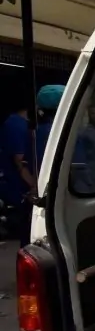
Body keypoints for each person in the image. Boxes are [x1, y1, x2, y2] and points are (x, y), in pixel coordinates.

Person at [0, 97, 35, 246]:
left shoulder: (12, 123)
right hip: (17, 185)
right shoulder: (18, 126)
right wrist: (34, 185)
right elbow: (19, 160)